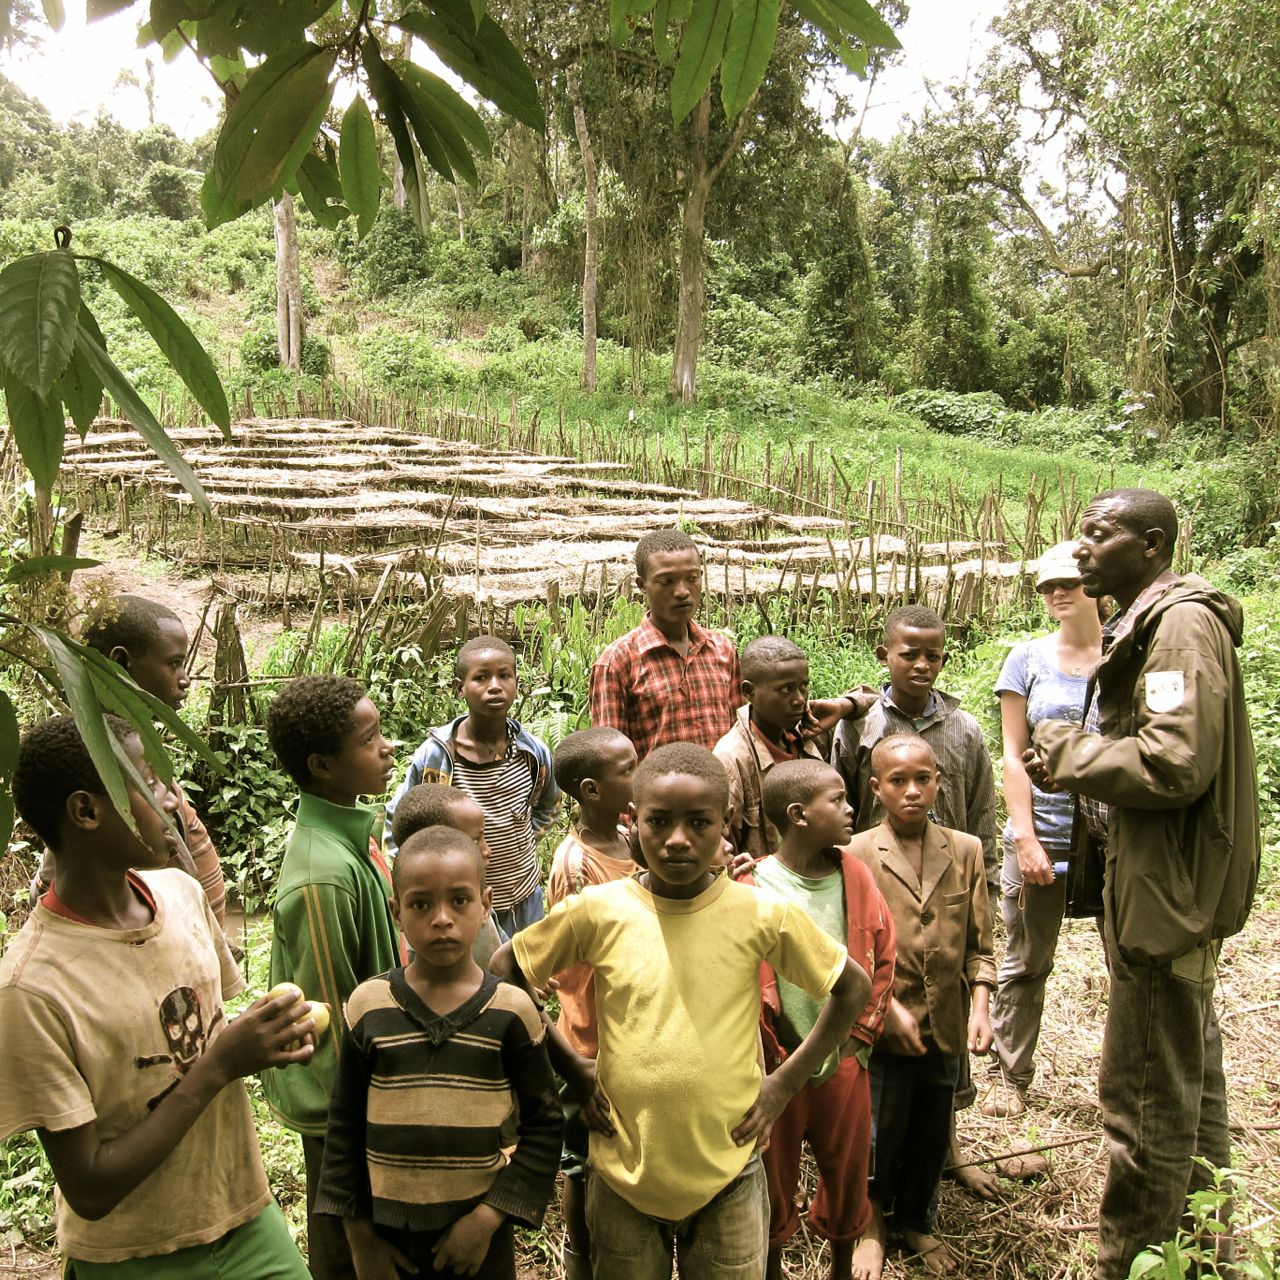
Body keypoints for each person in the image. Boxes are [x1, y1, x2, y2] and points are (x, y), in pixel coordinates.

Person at [490, 742, 872, 1280]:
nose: (677, 840)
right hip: (625, 1173)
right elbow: (505, 968)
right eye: (659, 821)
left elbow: (851, 989)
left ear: (727, 821)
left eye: (699, 822)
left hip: (729, 1171)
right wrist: (571, 1068)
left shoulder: (759, 912)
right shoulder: (600, 911)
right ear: (633, 821)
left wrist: (785, 1083)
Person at [1022, 489, 1260, 1280]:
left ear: (1151, 545)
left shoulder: (1180, 626)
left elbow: (1175, 763)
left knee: (1145, 1106)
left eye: (1100, 534)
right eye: (1081, 533)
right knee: (1193, 1096)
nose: (1081, 548)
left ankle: (1131, 1264)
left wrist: (1068, 751)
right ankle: (1205, 1258)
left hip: (1167, 897)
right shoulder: (1154, 621)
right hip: (1164, 889)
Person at [0, 714, 316, 1277]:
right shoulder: (32, 987)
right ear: (87, 811)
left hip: (244, 1215)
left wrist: (262, 1038)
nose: (173, 799)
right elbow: (91, 1188)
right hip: (131, 1255)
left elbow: (199, 1038)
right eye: (150, 780)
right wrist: (220, 1065)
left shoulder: (182, 894)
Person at [314, 826, 564, 1280]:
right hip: (386, 1237)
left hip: (479, 1243)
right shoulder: (368, 1007)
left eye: (460, 900)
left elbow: (545, 1127)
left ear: (486, 904)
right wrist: (360, 1238)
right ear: (397, 912)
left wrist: (488, 1220)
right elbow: (343, 1125)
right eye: (421, 904)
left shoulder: (512, 1012)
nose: (442, 918)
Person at [830, 604, 999, 1197]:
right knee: (884, 1053)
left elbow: (982, 814)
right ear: (885, 656)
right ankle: (876, 1186)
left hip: (950, 895)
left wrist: (987, 894)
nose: (922, 665)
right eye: (910, 654)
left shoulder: (965, 730)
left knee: (945, 1044)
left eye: (934, 655)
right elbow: (841, 809)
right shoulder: (858, 729)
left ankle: (945, 1152)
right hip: (882, 898)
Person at [262, 675, 404, 1280]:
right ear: (322, 765)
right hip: (344, 1110)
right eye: (370, 739)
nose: (387, 747)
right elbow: (334, 1015)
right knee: (348, 1247)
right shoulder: (322, 876)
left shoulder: (355, 837)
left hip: (371, 1094)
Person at [846, 735, 995, 1277]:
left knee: (933, 1124)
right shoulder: (856, 853)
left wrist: (980, 1007)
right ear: (876, 788)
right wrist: (882, 1011)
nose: (912, 791)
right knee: (878, 1130)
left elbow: (980, 945)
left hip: (947, 1021)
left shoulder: (965, 848)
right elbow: (850, 948)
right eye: (897, 781)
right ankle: (870, 1223)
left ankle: (917, 1219)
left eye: (922, 779)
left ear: (939, 782)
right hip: (884, 1023)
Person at [753, 760, 896, 1280]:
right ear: (798, 815)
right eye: (836, 800)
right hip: (775, 1066)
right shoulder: (752, 884)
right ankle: (771, 1265)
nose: (851, 807)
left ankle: (840, 1263)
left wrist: (858, 1037)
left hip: (844, 1060)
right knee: (773, 1172)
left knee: (847, 1171)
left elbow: (882, 954)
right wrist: (770, 1045)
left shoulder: (854, 876)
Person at [982, 541, 1103, 1120]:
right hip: (1046, 829)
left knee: (1129, 959)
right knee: (1027, 958)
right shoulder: (1027, 658)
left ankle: (1127, 1080)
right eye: (1047, 586)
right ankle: (1012, 1074)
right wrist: (1024, 835)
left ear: (1096, 586)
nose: (1057, 595)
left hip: (1115, 834)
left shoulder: (1127, 653)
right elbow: (1012, 754)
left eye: (1069, 584)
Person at [31, 593, 228, 926]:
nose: (185, 678)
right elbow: (66, 876)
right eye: (173, 663)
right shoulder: (97, 763)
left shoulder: (135, 749)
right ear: (121, 663)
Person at [545, 726, 640, 1280]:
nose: (639, 772)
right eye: (627, 768)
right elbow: (571, 968)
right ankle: (579, 1259)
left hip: (629, 1031)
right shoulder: (577, 865)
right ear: (590, 790)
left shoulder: (629, 839)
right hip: (588, 1037)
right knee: (580, 1161)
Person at [386, 635, 560, 938]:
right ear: (460, 688)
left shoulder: (532, 752)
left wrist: (521, 837)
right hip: (464, 904)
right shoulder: (437, 757)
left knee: (526, 978)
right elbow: (397, 818)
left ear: (517, 683)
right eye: (481, 677)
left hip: (524, 894)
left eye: (504, 676)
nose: (494, 685)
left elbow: (549, 802)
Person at [714, 635, 829, 862]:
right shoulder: (732, 759)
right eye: (786, 689)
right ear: (749, 692)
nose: (799, 700)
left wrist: (845, 705)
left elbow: (873, 701)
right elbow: (725, 849)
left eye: (803, 687)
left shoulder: (805, 738)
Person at [390, 782, 508, 969]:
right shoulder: (420, 945)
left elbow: (500, 945)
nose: (487, 850)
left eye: (459, 901)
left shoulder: (474, 896)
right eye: (475, 840)